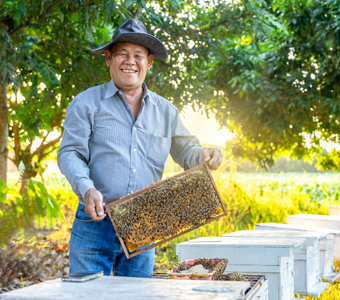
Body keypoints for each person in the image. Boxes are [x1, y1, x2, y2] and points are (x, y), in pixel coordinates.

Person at [57, 18, 222, 278]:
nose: (130, 61)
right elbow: (70, 153)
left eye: (138, 55)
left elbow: (187, 150)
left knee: (136, 294)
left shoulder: (166, 111)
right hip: (95, 222)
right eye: (122, 54)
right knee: (87, 296)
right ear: (108, 58)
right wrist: (86, 188)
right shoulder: (86, 103)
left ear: (149, 62)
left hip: (144, 221)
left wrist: (204, 154)